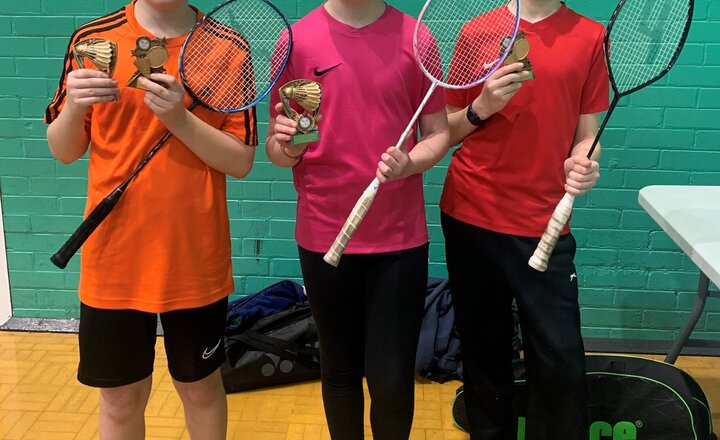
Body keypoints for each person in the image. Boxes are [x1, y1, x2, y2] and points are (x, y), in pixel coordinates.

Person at [44, 1, 257, 438]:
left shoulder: (228, 47)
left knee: (200, 391)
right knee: (121, 401)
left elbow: (240, 161)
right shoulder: (93, 40)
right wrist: (72, 110)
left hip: (194, 259)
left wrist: (179, 118)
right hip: (113, 259)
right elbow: (63, 150)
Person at [265, 1, 450, 438]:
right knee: (340, 369)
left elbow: (438, 132)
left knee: (390, 379)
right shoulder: (294, 40)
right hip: (323, 235)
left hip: (399, 240)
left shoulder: (417, 38)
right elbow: (277, 150)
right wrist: (287, 147)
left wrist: (409, 164)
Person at [440, 0, 609, 439]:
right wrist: (483, 104)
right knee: (483, 353)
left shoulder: (590, 36)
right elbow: (448, 129)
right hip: (471, 214)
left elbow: (587, 135)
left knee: (559, 360)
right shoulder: (477, 31)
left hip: (544, 224)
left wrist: (584, 163)